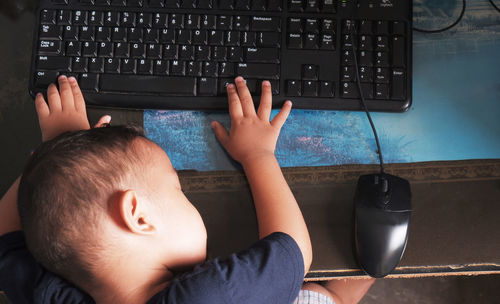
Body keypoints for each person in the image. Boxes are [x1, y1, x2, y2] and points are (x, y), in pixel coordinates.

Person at [0, 75, 374, 303]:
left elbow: (6, 239)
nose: (184, 196)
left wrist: (61, 152)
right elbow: (293, 249)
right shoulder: (213, 294)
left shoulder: (52, 295)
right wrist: (258, 154)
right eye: (176, 188)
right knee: (336, 286)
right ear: (139, 215)